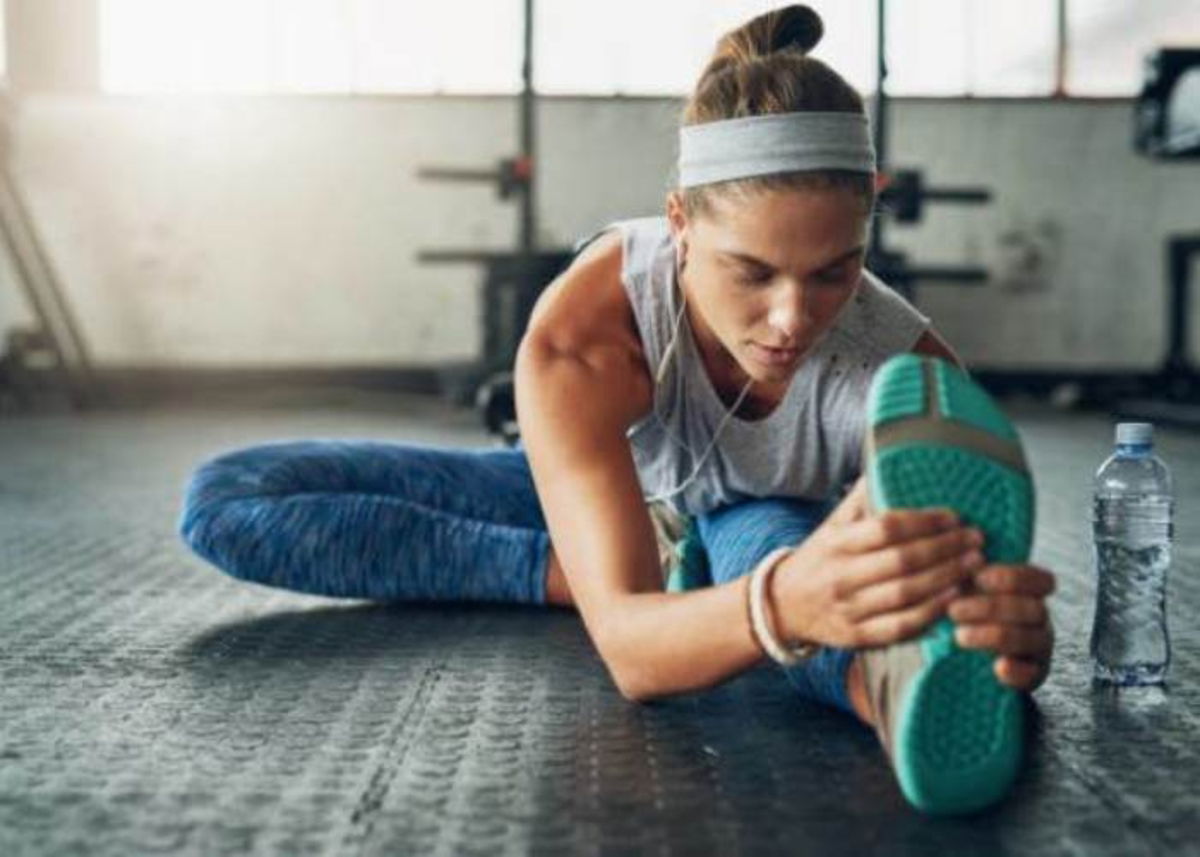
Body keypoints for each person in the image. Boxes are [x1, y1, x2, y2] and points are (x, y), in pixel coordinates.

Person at [178, 5, 1055, 814]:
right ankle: (599, 581)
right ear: (679, 222)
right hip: (614, 498)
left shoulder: (903, 369)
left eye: (834, 272)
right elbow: (636, 657)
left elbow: (923, 568)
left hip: (771, 527)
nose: (794, 320)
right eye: (752, 272)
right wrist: (650, 601)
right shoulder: (585, 333)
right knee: (232, 500)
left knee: (774, 544)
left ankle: (879, 687)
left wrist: (990, 628)